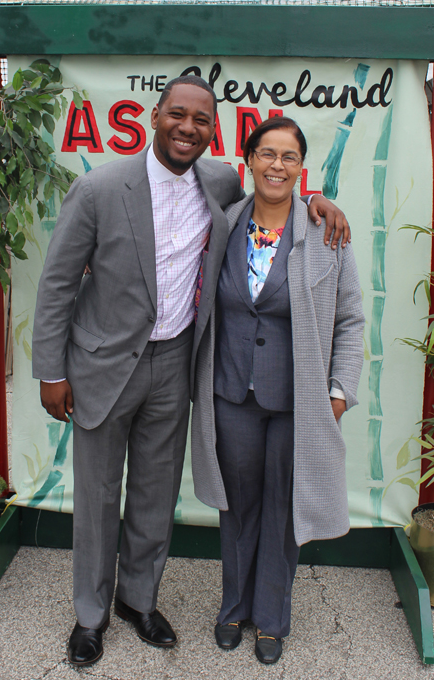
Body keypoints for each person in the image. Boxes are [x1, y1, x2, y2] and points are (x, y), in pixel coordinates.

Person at [32, 77, 350, 668]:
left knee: (155, 494)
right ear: (155, 116)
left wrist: (318, 200)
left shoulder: (220, 182)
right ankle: (90, 615)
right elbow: (55, 285)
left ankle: (138, 600)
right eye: (177, 115)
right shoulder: (100, 187)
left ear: (213, 131)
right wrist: (51, 370)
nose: (187, 128)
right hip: (104, 366)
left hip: (178, 363)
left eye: (201, 120)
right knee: (99, 496)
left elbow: (274, 192)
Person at [190, 116, 365, 665]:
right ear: (249, 160)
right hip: (231, 394)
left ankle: (271, 619)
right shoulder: (224, 221)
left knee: (283, 509)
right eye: (267, 153)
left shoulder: (325, 232)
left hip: (298, 402)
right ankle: (233, 609)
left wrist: (338, 391)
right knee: (236, 506)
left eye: (289, 157)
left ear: (301, 169)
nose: (277, 165)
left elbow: (351, 320)